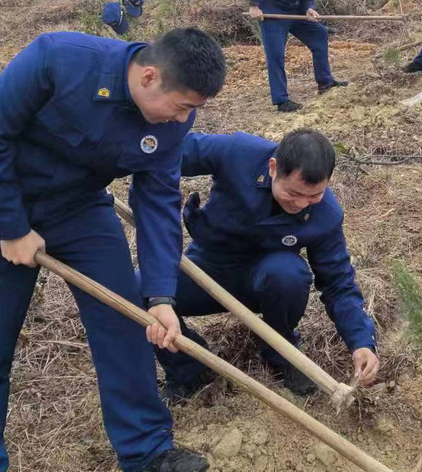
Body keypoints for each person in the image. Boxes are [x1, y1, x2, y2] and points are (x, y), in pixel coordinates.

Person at [0, 28, 227, 472]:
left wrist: (161, 297)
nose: (183, 120)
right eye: (182, 107)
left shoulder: (175, 119)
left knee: (125, 325)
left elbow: (156, 204)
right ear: (150, 77)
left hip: (80, 210)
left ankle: (147, 451)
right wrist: (11, 226)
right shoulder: (57, 59)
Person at [146, 129, 379, 400]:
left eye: (314, 195)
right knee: (142, 287)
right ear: (273, 168)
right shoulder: (238, 152)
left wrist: (361, 342)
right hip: (207, 269)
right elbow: (166, 149)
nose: (302, 204)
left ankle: (281, 354)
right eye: (293, 193)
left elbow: (338, 283)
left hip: (263, 281)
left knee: (289, 273)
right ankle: (191, 369)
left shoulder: (325, 215)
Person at [248, 0, 348, 112]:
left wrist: (309, 9)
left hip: (295, 13)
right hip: (274, 13)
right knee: (276, 54)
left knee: (319, 34)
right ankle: (281, 100)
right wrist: (254, 5)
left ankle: (325, 82)